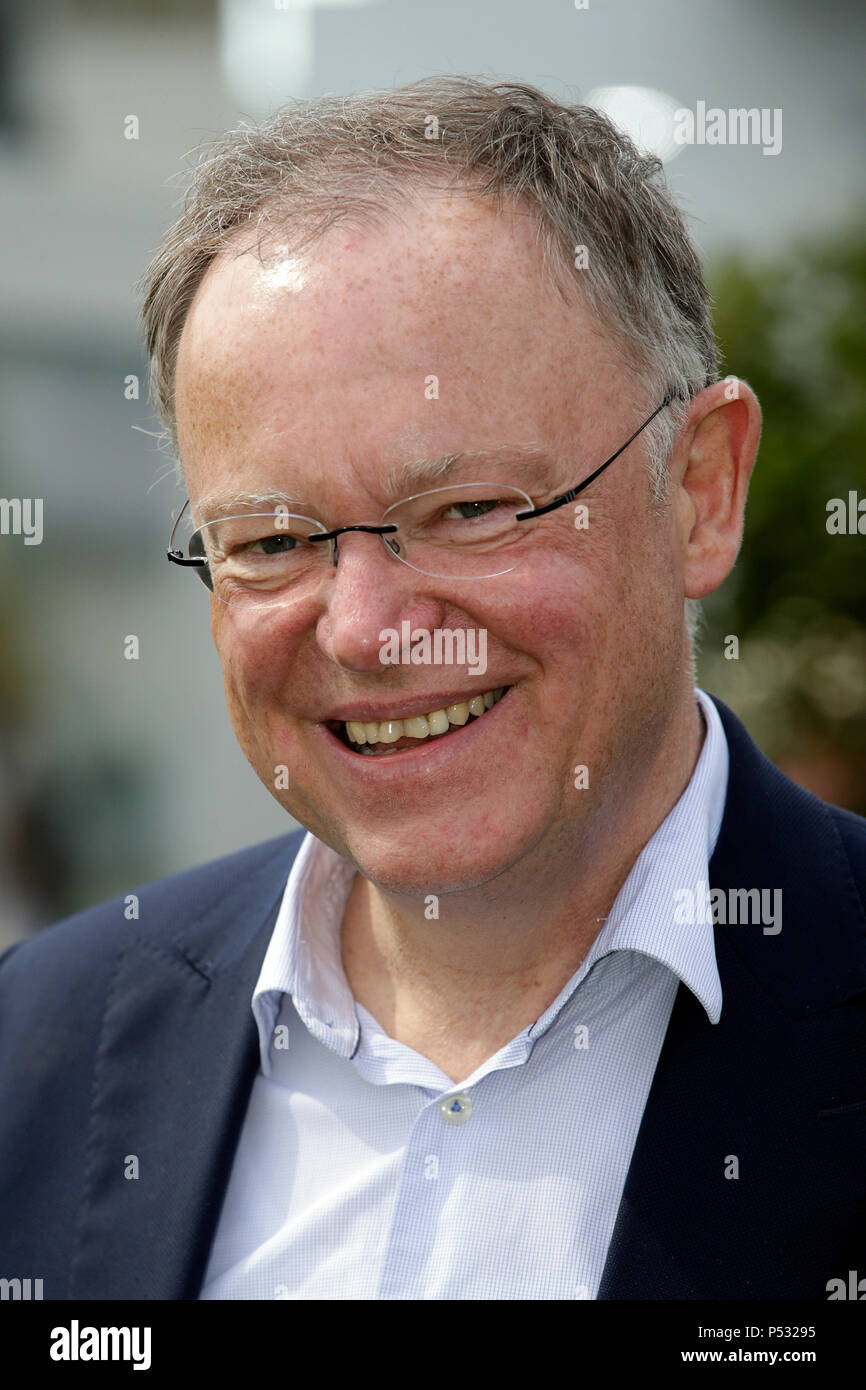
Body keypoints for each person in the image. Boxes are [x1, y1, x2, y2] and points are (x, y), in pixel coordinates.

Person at [1, 76, 864, 1302]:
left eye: (465, 512)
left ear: (699, 492)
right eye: (270, 540)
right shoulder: (37, 1050)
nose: (363, 629)